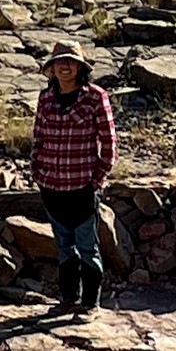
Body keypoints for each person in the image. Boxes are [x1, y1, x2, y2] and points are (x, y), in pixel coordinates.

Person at [28, 47, 118, 317]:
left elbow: (109, 142)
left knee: (87, 246)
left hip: (82, 185)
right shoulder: (46, 98)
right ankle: (69, 298)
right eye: (60, 63)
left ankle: (90, 303)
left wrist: (98, 178)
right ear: (52, 69)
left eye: (71, 62)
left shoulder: (95, 97)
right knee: (63, 245)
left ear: (80, 67)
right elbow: (38, 136)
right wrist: (36, 170)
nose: (65, 67)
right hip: (51, 185)